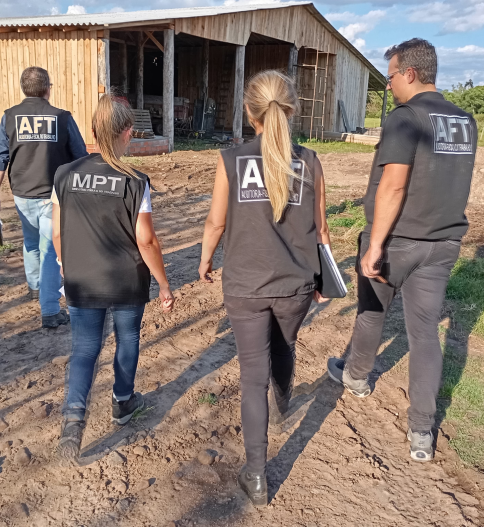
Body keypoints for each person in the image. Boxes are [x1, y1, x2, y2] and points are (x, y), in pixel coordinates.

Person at [326, 38, 477, 462]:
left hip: (399, 241)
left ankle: (355, 378)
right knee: (425, 334)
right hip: (444, 242)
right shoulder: (464, 121)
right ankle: (422, 434)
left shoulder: (406, 117)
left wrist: (375, 245)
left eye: (390, 75)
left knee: (373, 310)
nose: (389, 84)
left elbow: (394, 182)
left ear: (410, 73)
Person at [199, 70, 331, 507]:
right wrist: (323, 277)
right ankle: (285, 401)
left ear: (249, 111)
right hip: (296, 284)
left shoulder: (231, 159)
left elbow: (216, 222)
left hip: (245, 285)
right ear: (290, 110)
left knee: (250, 378)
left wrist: (205, 259)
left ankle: (256, 475)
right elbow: (322, 232)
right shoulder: (310, 161)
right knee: (285, 349)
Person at [52, 93, 175, 461]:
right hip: (126, 280)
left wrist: (65, 263)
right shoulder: (136, 180)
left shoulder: (64, 174)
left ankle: (73, 420)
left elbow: (57, 233)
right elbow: (146, 239)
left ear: (92, 131)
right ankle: (123, 403)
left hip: (81, 279)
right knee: (127, 338)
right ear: (128, 133)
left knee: (85, 348)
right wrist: (164, 283)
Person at [0, 66, 88, 328]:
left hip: (22, 194)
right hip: (53, 197)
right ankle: (51, 310)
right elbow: (80, 156)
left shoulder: (9, 117)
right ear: (47, 89)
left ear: (23, 89)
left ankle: (35, 287)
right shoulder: (62, 117)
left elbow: (0, 157)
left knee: (31, 243)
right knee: (51, 250)